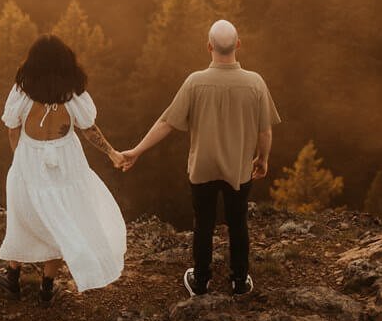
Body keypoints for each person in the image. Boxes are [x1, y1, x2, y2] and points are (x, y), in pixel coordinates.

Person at [118, 18, 279, 297]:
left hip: (202, 168)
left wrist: (136, 150)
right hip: (238, 169)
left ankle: (201, 281)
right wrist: (262, 159)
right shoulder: (255, 83)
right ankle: (239, 282)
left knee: (203, 224)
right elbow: (264, 132)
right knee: (238, 223)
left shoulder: (195, 82)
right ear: (238, 45)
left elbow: (166, 122)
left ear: (209, 46)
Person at [0, 34, 130, 304]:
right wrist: (112, 152)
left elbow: (13, 128)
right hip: (66, 162)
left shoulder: (22, 90)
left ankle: (12, 280)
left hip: (29, 159)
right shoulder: (73, 94)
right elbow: (88, 128)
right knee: (61, 218)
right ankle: (47, 288)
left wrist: (19, 159)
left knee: (23, 217)